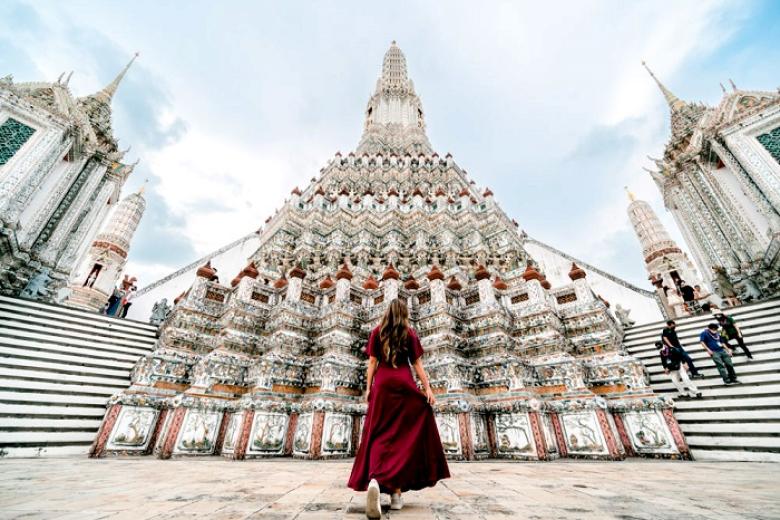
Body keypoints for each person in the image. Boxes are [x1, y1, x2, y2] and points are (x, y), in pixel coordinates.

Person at [348, 299, 449, 518]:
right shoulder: (409, 333)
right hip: (404, 385)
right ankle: (395, 496)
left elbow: (372, 363)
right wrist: (428, 389)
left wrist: (368, 389)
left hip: (383, 385)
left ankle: (375, 478)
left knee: (378, 433)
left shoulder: (377, 332)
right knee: (403, 438)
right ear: (404, 314)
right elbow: (418, 365)